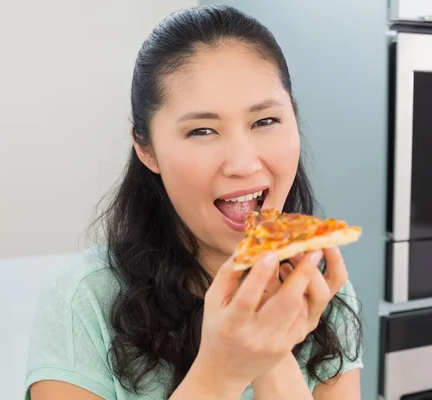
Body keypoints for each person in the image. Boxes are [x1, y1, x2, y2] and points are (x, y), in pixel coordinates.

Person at [25, 4, 363, 400]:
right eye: (202, 130)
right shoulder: (82, 300)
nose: (243, 163)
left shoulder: (321, 292)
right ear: (146, 148)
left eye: (265, 122)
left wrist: (272, 350)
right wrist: (221, 372)